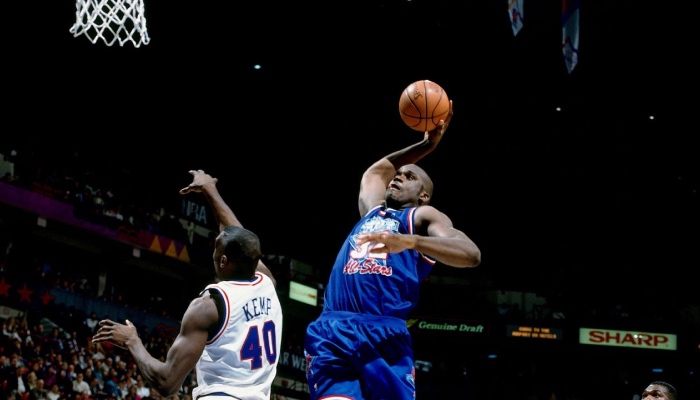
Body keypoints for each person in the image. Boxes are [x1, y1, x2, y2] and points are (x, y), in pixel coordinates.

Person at [304, 101, 481, 399]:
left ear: (423, 195)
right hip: (333, 328)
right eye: (399, 174)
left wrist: (412, 242)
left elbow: (471, 254)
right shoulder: (371, 212)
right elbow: (377, 171)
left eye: (410, 176)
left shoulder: (421, 218)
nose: (398, 176)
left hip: (384, 334)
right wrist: (426, 145)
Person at [92, 170, 283, 400]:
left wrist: (132, 341)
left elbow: (166, 384)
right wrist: (210, 189)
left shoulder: (208, 306)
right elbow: (240, 239)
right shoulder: (267, 284)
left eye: (216, 247)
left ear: (223, 260)